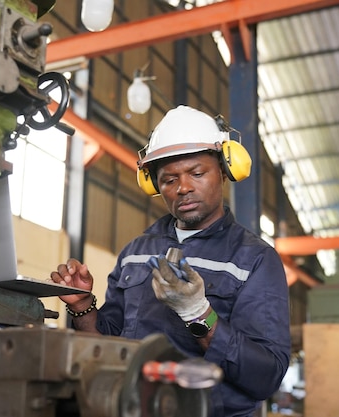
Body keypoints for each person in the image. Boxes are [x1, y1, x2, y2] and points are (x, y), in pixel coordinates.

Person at [50, 105, 291, 417]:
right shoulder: (135, 252)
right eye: (168, 179)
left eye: (197, 173)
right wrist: (82, 306)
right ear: (153, 185)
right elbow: (108, 348)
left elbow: (265, 376)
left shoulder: (254, 259)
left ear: (224, 169)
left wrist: (199, 315)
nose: (183, 188)